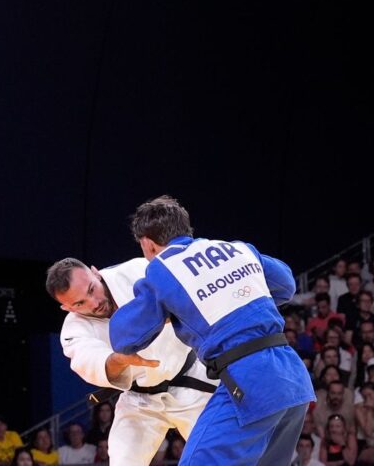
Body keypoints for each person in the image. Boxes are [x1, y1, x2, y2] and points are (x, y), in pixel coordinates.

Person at [110, 196, 314, 465]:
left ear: (147, 243)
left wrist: (172, 312)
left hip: (249, 381)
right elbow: (286, 285)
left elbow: (124, 338)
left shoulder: (162, 269)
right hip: (292, 377)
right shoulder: (237, 249)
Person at [47, 256, 217, 465]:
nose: (94, 303)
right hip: (140, 401)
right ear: (67, 308)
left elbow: (186, 294)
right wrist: (119, 360)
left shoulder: (137, 270)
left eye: (91, 289)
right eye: (79, 303)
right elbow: (89, 359)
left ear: (95, 271)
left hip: (190, 380)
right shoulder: (74, 330)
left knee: (219, 456)